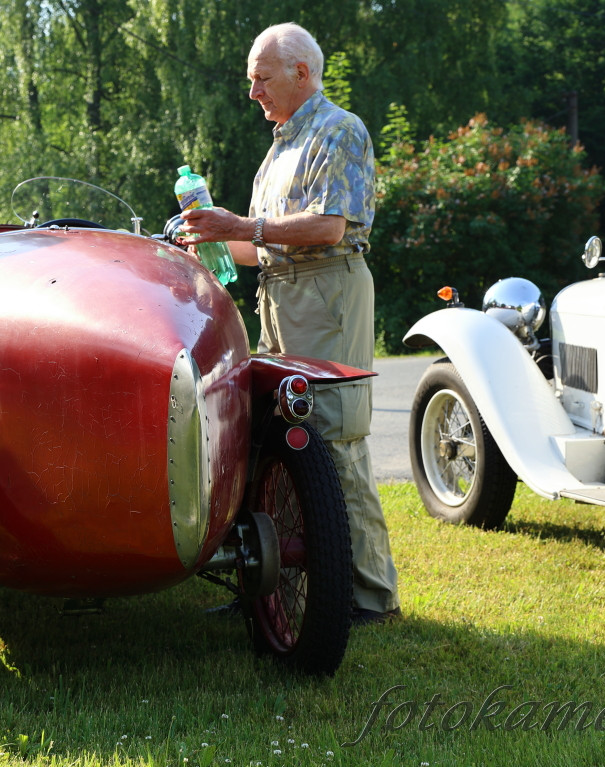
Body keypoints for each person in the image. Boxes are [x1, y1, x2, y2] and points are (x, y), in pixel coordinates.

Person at [181, 23, 400, 626]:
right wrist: (209, 240)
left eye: (262, 77)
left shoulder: (339, 130)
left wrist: (240, 227)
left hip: (327, 290)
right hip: (281, 295)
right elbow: (258, 246)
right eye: (250, 80)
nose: (252, 92)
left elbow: (328, 226)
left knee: (332, 437)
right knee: (276, 440)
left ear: (302, 73)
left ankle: (368, 596)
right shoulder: (280, 147)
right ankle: (275, 586)